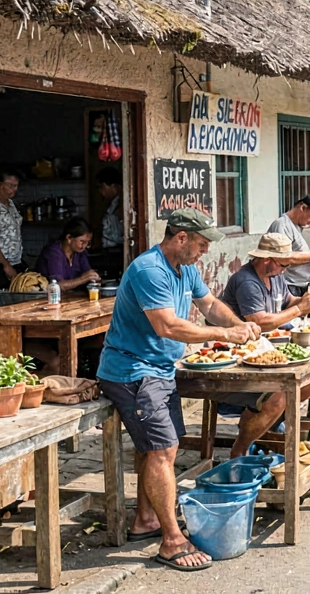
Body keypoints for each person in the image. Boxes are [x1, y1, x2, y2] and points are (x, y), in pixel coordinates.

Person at [97, 209, 259, 572]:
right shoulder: (148, 269)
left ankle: (146, 520)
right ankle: (171, 541)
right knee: (163, 449)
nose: (204, 251)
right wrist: (224, 335)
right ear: (181, 238)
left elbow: (210, 305)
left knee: (157, 447)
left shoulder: (185, 269)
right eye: (201, 244)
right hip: (131, 370)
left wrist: (240, 324)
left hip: (159, 369)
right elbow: (167, 326)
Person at [216, 233, 310, 457]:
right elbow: (259, 321)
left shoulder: (276, 275)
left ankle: (267, 425)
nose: (285, 269)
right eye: (283, 264)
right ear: (267, 260)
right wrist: (298, 310)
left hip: (269, 349)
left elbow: (287, 301)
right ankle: (241, 447)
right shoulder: (247, 281)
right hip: (242, 357)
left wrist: (304, 301)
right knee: (279, 395)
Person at [267, 193, 310, 297]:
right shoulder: (282, 225)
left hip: (301, 285)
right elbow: (282, 257)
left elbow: (297, 254)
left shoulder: (296, 226)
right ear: (302, 207)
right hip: (288, 286)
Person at [35, 217, 101, 291]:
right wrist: (83, 278)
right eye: (82, 242)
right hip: (50, 298)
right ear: (69, 238)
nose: (84, 246)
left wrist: (93, 278)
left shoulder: (80, 253)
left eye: (88, 243)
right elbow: (58, 285)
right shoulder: (54, 252)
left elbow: (88, 275)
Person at [97, 167, 123, 251]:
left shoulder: (122, 204)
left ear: (113, 186)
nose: (101, 191)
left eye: (102, 187)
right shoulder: (112, 204)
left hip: (117, 251)